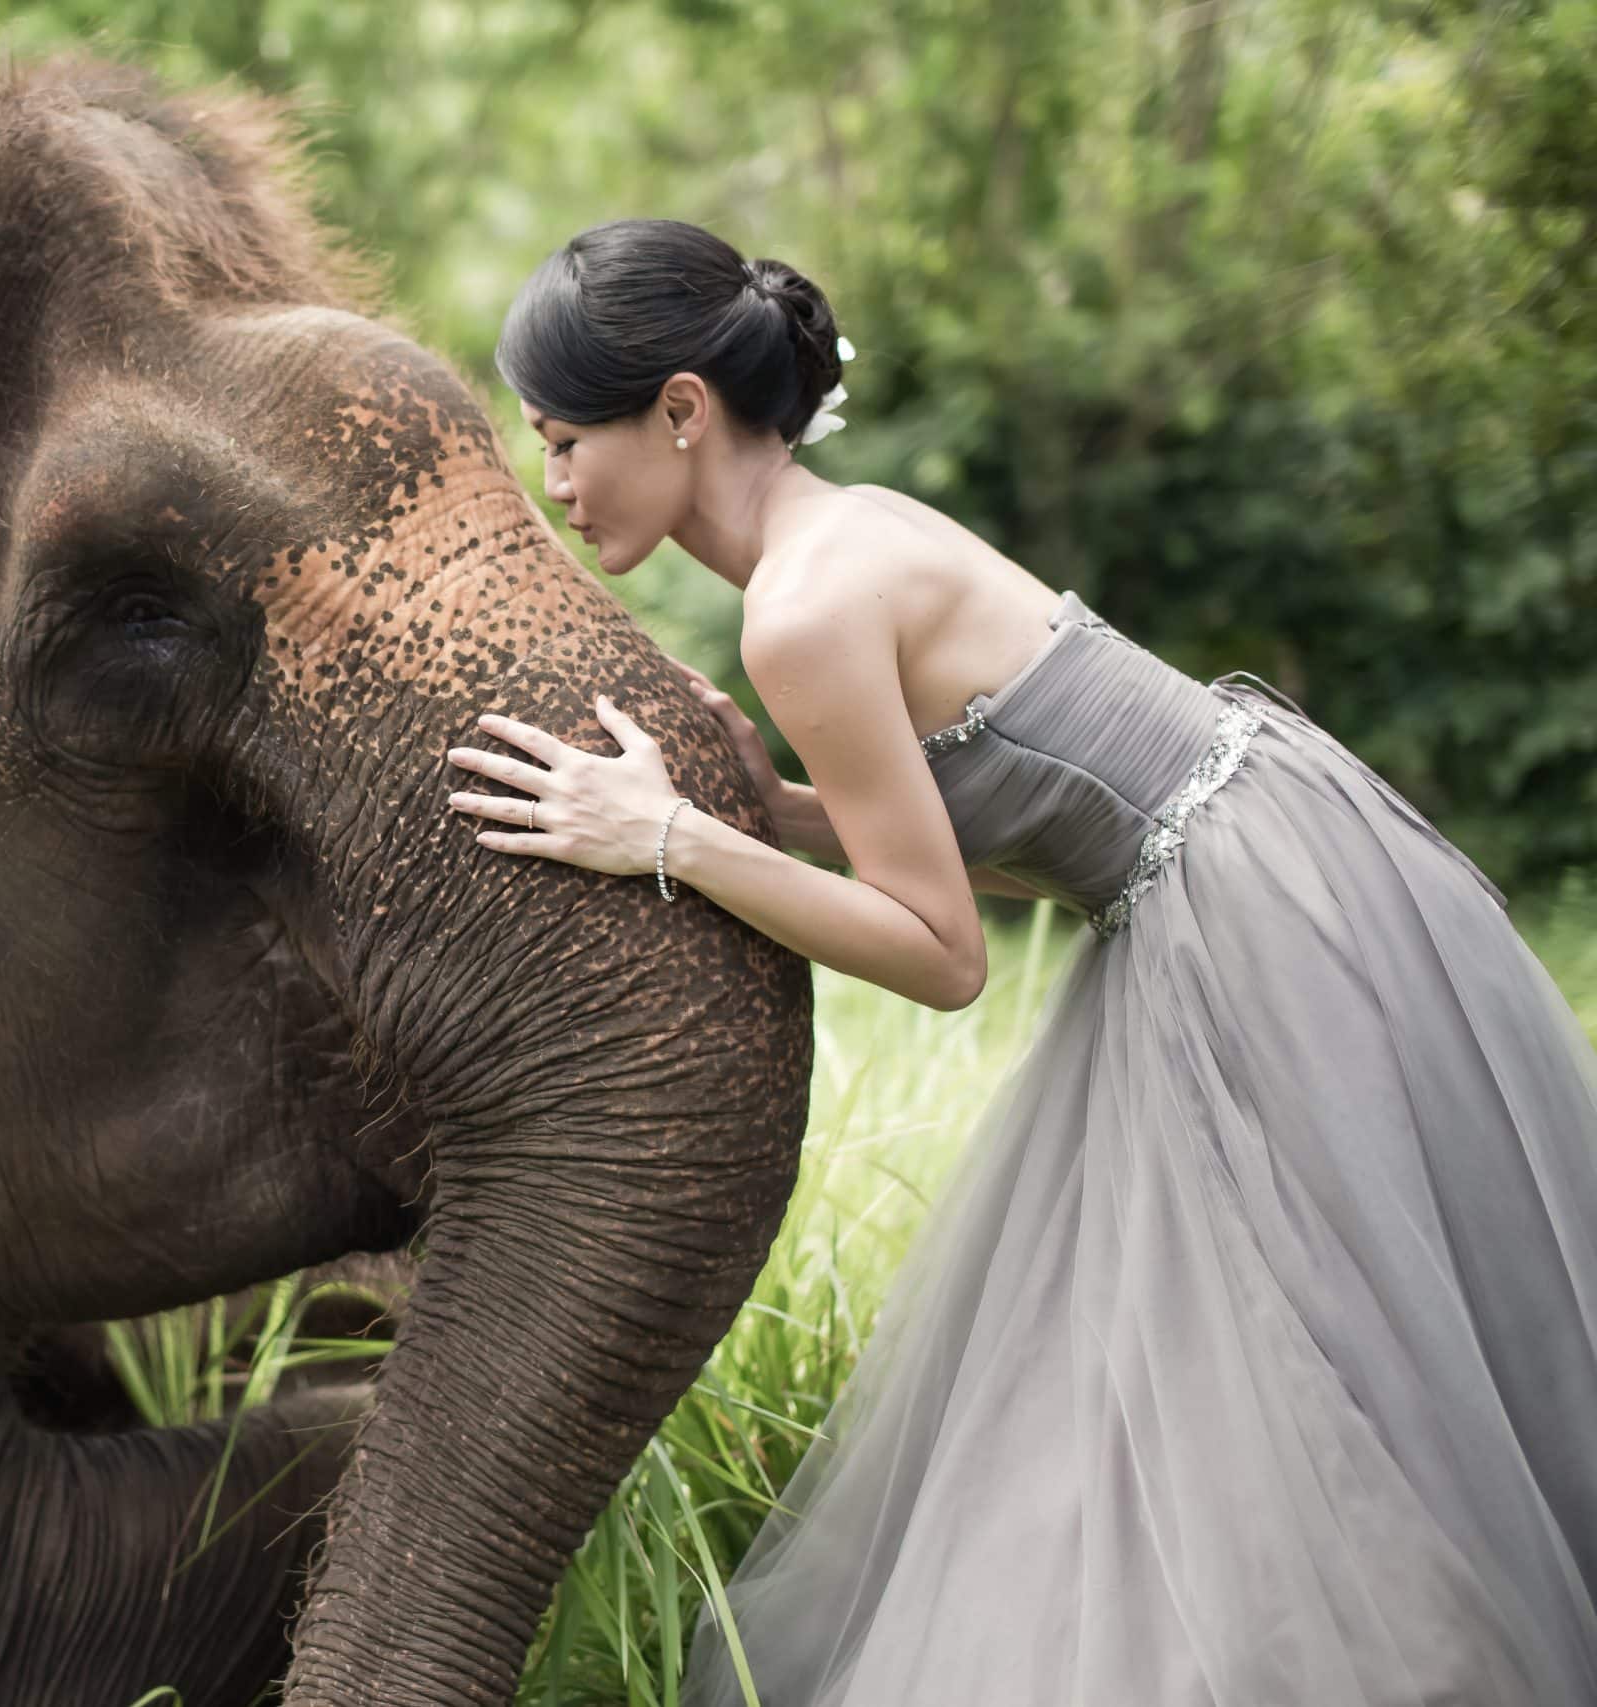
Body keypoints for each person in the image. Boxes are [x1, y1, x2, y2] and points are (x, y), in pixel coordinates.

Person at [445, 217, 1597, 1706]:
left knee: (1302, 1357)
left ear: (678, 410)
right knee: (1294, 1352)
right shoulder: (847, 534)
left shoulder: (802, 606)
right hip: (1281, 859)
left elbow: (943, 957)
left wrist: (669, 835)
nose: (554, 484)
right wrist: (781, 808)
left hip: (1261, 921)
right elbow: (1035, 821)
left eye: (564, 438)